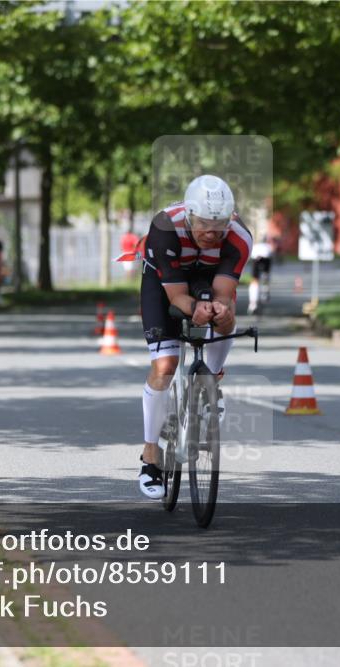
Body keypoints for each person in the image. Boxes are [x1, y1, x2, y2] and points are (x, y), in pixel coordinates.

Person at [137, 175, 252, 499]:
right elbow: (176, 298)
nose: (211, 234)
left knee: (225, 319)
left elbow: (224, 293)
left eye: (219, 227)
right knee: (165, 365)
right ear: (189, 215)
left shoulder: (239, 238)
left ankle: (211, 382)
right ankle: (150, 457)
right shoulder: (164, 227)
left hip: (208, 276)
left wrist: (220, 310)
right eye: (203, 225)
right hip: (165, 281)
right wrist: (193, 309)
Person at [247, 233, 273, 315]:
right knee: (265, 277)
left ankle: (253, 303)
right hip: (266, 259)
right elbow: (271, 254)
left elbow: (251, 255)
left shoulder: (256, 246)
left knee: (254, 281)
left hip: (256, 259)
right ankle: (264, 294)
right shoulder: (268, 247)